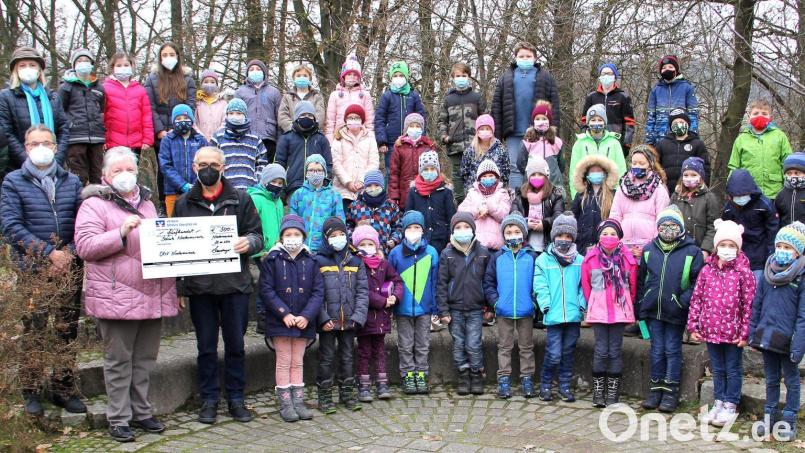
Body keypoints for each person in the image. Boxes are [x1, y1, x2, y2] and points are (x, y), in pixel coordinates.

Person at [74, 147, 178, 442]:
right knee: (118, 361)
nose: (124, 175)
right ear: (105, 175)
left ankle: (142, 411)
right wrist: (119, 231)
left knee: (144, 359)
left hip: (151, 293)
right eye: (117, 170)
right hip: (116, 295)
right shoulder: (94, 205)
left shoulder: (147, 202)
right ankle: (118, 418)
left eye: (129, 170)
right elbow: (85, 246)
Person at [173, 146, 264, 425]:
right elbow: (174, 247)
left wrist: (248, 243)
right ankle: (209, 399)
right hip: (200, 289)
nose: (208, 168)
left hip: (234, 285)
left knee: (236, 345)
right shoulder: (183, 202)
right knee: (206, 347)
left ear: (223, 167)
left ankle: (236, 398)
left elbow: (258, 236)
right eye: (203, 164)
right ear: (194, 167)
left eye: (213, 163)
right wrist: (179, 287)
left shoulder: (241, 199)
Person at [1, 125, 84, 416]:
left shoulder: (72, 181)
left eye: (47, 142)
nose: (41, 147)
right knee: (34, 329)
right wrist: (49, 254)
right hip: (33, 269)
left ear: (55, 146)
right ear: (26, 147)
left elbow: (82, 224)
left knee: (67, 329)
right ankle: (31, 389)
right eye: (35, 143)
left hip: (69, 269)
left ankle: (63, 386)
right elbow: (11, 226)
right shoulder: (13, 182)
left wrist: (68, 254)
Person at [687, 219, 755, 427]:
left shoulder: (744, 273)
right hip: (711, 329)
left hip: (733, 333)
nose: (727, 249)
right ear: (716, 247)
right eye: (723, 245)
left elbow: (748, 305)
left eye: (731, 245)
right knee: (717, 368)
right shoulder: (707, 270)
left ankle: (730, 404)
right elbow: (696, 299)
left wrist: (744, 333)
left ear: (738, 247)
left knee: (732, 368)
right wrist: (693, 326)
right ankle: (718, 401)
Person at [638, 205, 705, 413]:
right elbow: (641, 281)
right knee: (657, 350)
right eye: (664, 225)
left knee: (673, 350)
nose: (668, 229)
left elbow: (697, 283)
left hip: (676, 311)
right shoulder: (649, 250)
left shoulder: (692, 252)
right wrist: (641, 306)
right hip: (653, 311)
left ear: (681, 227)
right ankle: (655, 390)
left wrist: (681, 301)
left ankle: (670, 393)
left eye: (673, 225)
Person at [260, 214, 323, 423]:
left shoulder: (311, 260)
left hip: (304, 321)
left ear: (303, 236)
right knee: (283, 361)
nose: (293, 238)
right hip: (280, 321)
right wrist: (284, 313)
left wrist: (306, 316)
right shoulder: (272, 259)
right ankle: (285, 403)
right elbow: (267, 290)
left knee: (297, 361)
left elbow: (318, 292)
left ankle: (298, 401)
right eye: (288, 234)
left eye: (297, 234)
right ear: (281, 237)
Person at [749, 221, 805, 442]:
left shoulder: (800, 277)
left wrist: (798, 345)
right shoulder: (767, 271)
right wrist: (753, 332)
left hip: (788, 339)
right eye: (780, 246)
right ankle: (770, 417)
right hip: (767, 336)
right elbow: (757, 305)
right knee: (771, 379)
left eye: (788, 248)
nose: (782, 251)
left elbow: (803, 316)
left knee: (791, 381)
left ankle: (789, 420)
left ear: (797, 251)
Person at [315, 217, 369, 414]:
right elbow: (316, 293)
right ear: (325, 238)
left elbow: (363, 291)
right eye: (333, 235)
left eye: (341, 235)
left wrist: (357, 316)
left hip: (349, 320)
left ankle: (347, 392)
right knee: (326, 357)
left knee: (347, 356)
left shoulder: (355, 260)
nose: (338, 238)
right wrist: (322, 318)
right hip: (328, 321)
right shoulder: (319, 260)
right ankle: (325, 395)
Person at [582, 219, 637, 407]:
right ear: (598, 236)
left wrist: (627, 305)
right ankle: (598, 393)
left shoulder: (628, 260)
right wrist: (594, 305)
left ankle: (613, 394)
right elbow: (586, 286)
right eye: (605, 233)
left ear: (619, 237)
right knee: (600, 351)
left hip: (619, 312)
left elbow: (633, 287)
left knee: (614, 351)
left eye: (613, 233)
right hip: (599, 311)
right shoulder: (590, 259)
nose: (609, 237)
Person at [483, 212, 538, 398]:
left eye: (516, 231)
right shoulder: (498, 257)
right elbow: (488, 282)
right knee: (504, 347)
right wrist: (496, 302)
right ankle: (504, 380)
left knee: (526, 347)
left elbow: (538, 282)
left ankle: (527, 378)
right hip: (504, 310)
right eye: (508, 231)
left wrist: (534, 302)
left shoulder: (531, 256)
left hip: (526, 310)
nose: (512, 234)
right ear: (503, 235)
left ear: (523, 233)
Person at [491, 41, 560, 188]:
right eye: (521, 56)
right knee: (515, 167)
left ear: (535, 58)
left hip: (539, 132)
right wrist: (496, 135)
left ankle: (544, 203)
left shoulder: (545, 77)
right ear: (515, 57)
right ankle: (517, 204)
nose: (525, 58)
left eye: (528, 56)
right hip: (513, 132)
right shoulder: (505, 77)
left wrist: (553, 131)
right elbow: (497, 106)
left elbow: (554, 105)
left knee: (540, 168)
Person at [437, 212, 491, 395]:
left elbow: (488, 281)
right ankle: (463, 373)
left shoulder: (482, 253)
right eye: (458, 228)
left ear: (473, 230)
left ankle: (476, 373)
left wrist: (489, 307)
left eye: (466, 227)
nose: (463, 231)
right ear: (452, 231)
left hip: (476, 308)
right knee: (459, 342)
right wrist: (443, 309)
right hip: (455, 308)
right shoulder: (447, 254)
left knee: (474, 343)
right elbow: (442, 284)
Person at [534, 212, 586, 403]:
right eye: (560, 235)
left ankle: (564, 385)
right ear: (553, 236)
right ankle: (545, 384)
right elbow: (540, 285)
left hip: (573, 315)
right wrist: (546, 306)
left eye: (567, 236)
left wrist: (581, 306)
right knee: (553, 353)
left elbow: (584, 286)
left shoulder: (580, 261)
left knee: (568, 352)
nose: (563, 240)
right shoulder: (543, 260)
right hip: (553, 315)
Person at [387, 210, 439, 394]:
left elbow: (435, 282)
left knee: (423, 343)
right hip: (403, 308)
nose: (413, 230)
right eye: (409, 227)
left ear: (423, 230)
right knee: (405, 343)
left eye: (417, 227)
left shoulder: (431, 252)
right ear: (403, 230)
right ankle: (408, 374)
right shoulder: (395, 253)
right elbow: (391, 281)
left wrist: (435, 307)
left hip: (424, 308)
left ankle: (421, 373)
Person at [352, 224, 403, 403]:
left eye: (370, 244)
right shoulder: (357, 265)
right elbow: (362, 290)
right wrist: (382, 301)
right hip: (365, 318)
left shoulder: (384, 264)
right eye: (363, 244)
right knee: (364, 351)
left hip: (382, 318)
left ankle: (382, 383)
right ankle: (363, 383)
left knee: (380, 351)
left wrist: (395, 297)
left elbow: (397, 281)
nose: (367, 248)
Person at [0, 46, 69, 173]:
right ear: (16, 70)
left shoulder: (53, 97)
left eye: (32, 65)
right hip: (19, 168)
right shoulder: (5, 97)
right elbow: (7, 133)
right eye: (22, 65)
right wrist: (27, 161)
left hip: (54, 165)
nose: (28, 69)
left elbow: (63, 129)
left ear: (39, 70)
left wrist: (57, 159)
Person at [102, 52, 156, 193]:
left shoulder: (140, 90)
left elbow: (146, 115)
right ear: (112, 68)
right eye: (119, 65)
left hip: (135, 142)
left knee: (132, 175)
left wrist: (147, 139)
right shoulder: (106, 88)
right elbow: (103, 116)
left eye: (126, 65)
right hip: (113, 142)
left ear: (132, 67)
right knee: (114, 174)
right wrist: (103, 139)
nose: (123, 68)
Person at [610, 145, 670, 258]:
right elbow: (615, 216)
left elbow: (662, 220)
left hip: (650, 247)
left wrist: (654, 246)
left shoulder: (659, 189)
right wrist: (615, 240)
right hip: (623, 245)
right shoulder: (622, 188)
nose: (637, 166)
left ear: (650, 165)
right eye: (634, 163)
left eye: (642, 164)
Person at [437, 62, 486, 199]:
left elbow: (485, 119)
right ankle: (460, 201)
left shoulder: (476, 98)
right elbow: (442, 121)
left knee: (476, 172)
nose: (461, 78)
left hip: (475, 145)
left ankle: (477, 199)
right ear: (453, 77)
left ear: (469, 77)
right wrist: (444, 136)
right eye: (458, 76)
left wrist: (484, 137)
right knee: (457, 175)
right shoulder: (448, 99)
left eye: (464, 75)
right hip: (454, 145)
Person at [247, 164, 286, 335]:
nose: (276, 185)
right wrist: (260, 248)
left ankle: (271, 315)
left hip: (276, 248)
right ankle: (262, 318)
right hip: (262, 250)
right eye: (274, 181)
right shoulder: (256, 198)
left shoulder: (278, 201)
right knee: (266, 284)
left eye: (280, 182)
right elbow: (253, 225)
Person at [728, 98, 793, 199]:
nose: (760, 116)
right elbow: (734, 167)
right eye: (756, 113)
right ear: (749, 117)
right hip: (748, 193)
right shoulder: (741, 139)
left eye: (764, 113)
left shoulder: (780, 136)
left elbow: (788, 164)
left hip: (775, 193)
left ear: (770, 117)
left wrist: (789, 189)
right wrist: (732, 188)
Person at [58, 48, 106, 184]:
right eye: (79, 61)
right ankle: (78, 202)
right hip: (75, 137)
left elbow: (102, 109)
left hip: (96, 136)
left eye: (86, 61)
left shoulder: (99, 87)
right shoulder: (65, 87)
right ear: (73, 65)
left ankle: (98, 203)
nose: (83, 63)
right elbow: (60, 110)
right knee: (78, 175)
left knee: (97, 174)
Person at [722, 169, 778, 279]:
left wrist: (771, 253)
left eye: (743, 194)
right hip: (736, 256)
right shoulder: (729, 207)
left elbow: (772, 230)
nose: (740, 198)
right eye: (736, 195)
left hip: (759, 257)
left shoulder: (764, 204)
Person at [375, 61, 427, 173]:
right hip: (391, 143)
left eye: (401, 75)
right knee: (392, 172)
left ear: (406, 77)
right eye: (395, 76)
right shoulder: (386, 96)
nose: (398, 78)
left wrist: (422, 137)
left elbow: (422, 118)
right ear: (391, 78)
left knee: (411, 171)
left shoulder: (413, 96)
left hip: (411, 141)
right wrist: (382, 141)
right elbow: (380, 119)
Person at [158, 104, 208, 216]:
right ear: (173, 121)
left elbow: (205, 164)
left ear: (191, 119)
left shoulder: (200, 140)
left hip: (198, 191)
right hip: (173, 191)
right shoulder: (167, 140)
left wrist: (196, 185)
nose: (182, 121)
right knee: (175, 226)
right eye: (178, 119)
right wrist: (182, 185)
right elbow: (165, 166)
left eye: (186, 118)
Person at [288, 154, 344, 253]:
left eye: (319, 170)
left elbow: (339, 221)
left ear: (325, 173)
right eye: (311, 170)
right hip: (301, 248)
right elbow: (293, 221)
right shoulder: (298, 194)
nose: (315, 173)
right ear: (306, 173)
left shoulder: (334, 195)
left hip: (325, 248)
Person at [143, 42, 196, 147]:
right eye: (165, 55)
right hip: (160, 136)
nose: (168, 57)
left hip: (182, 132)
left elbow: (190, 106)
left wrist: (177, 128)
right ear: (160, 58)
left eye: (172, 55)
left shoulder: (188, 80)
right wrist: (159, 130)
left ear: (177, 56)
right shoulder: (151, 80)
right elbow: (150, 107)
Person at [568, 104, 626, 199]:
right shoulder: (580, 143)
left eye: (600, 120)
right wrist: (576, 197)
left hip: (610, 194)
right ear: (588, 122)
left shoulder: (614, 143)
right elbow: (574, 173)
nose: (596, 123)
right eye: (593, 120)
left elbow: (621, 170)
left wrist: (618, 196)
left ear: (605, 122)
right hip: (585, 195)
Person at [275, 100, 332, 196]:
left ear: (314, 118)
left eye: (310, 115)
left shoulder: (321, 139)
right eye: (303, 115)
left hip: (317, 188)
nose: (307, 118)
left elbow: (329, 164)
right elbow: (279, 164)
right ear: (297, 117)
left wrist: (325, 183)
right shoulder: (286, 138)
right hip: (293, 187)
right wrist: (282, 188)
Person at [210, 98, 268, 191]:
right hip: (225, 190)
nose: (235, 116)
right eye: (231, 113)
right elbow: (211, 162)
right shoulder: (218, 137)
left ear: (245, 115)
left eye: (238, 113)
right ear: (227, 115)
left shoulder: (255, 138)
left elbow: (262, 163)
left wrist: (256, 181)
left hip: (249, 190)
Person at [405, 151, 456, 254]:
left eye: (432, 169)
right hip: (418, 240)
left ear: (437, 170)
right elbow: (408, 216)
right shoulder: (413, 191)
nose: (429, 172)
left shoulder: (446, 191)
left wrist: (450, 239)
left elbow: (451, 217)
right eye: (426, 169)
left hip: (441, 240)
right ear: (421, 171)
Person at [511, 156, 565, 253]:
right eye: (533, 174)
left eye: (540, 174)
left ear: (546, 176)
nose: (536, 177)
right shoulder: (520, 196)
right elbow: (513, 216)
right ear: (528, 177)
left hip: (548, 247)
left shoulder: (555, 195)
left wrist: (545, 224)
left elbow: (558, 216)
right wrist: (524, 223)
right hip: (524, 248)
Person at [331, 104, 379, 209]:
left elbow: (373, 162)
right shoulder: (338, 138)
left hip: (364, 190)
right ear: (345, 120)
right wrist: (347, 182)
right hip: (342, 191)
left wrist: (362, 181)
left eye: (357, 117)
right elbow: (336, 163)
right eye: (350, 118)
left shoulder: (370, 137)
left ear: (362, 120)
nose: (353, 120)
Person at [645, 55, 699, 146]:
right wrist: (649, 140)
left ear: (676, 70)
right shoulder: (655, 90)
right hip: (660, 139)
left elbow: (693, 115)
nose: (667, 70)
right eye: (664, 68)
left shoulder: (687, 87)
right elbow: (651, 117)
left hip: (681, 138)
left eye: (671, 67)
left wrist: (692, 136)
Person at [670, 157, 720, 256]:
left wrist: (705, 249)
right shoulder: (676, 196)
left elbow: (712, 227)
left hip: (699, 249)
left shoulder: (709, 198)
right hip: (677, 249)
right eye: (686, 175)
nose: (689, 178)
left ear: (701, 176)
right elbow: (669, 220)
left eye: (693, 175)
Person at [458, 160, 512, 250]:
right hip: (475, 243)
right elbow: (461, 211)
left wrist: (489, 207)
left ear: (496, 177)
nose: (488, 178)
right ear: (479, 178)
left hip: (495, 244)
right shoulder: (472, 193)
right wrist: (478, 210)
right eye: (484, 176)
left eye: (491, 175)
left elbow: (504, 214)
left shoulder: (503, 193)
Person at [580, 63, 635, 152]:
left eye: (609, 74)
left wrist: (626, 144)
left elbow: (630, 123)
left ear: (614, 77)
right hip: (594, 141)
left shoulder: (623, 97)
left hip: (616, 142)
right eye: (603, 74)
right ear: (600, 76)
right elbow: (584, 120)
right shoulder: (591, 97)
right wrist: (584, 138)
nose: (606, 76)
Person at [235, 59, 282, 162]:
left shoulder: (274, 92)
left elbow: (280, 118)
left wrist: (280, 141)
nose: (255, 71)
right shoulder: (240, 92)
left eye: (258, 69)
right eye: (251, 69)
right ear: (247, 73)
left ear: (264, 72)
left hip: (268, 138)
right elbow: (235, 114)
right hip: (247, 137)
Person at [346, 170, 403, 255]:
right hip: (360, 253)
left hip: (384, 253)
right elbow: (348, 226)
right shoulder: (355, 206)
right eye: (369, 185)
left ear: (382, 186)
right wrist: (353, 238)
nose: (373, 188)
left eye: (376, 185)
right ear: (365, 187)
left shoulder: (391, 206)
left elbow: (399, 226)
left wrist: (394, 239)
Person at [572, 155, 618, 254]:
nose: (596, 173)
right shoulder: (580, 195)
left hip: (605, 244)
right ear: (587, 174)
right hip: (582, 244)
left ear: (605, 173)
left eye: (599, 171)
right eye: (592, 171)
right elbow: (573, 217)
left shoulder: (613, 194)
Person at [388, 113, 435, 209]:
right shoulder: (399, 147)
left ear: (422, 129)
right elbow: (394, 174)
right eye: (412, 126)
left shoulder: (428, 146)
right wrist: (394, 196)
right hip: (404, 193)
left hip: (424, 193)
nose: (415, 128)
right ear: (406, 128)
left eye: (418, 126)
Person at [656, 108, 710, 190]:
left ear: (687, 124)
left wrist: (702, 188)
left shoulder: (697, 144)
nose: (679, 125)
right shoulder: (662, 144)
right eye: (675, 123)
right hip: (665, 190)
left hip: (690, 190)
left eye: (681, 122)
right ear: (671, 126)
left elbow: (705, 168)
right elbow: (655, 166)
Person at [325, 56, 375, 141]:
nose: (352, 77)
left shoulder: (365, 95)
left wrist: (370, 138)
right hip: (339, 136)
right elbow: (330, 121)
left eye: (355, 75)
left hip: (360, 137)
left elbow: (370, 120)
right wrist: (330, 140)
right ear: (343, 76)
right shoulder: (334, 95)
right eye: (349, 74)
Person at [517, 103, 564, 189]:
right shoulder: (527, 142)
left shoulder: (557, 142)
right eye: (537, 119)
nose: (541, 121)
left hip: (554, 185)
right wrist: (532, 173)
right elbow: (520, 163)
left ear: (549, 121)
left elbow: (561, 165)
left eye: (544, 118)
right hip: (532, 186)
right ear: (533, 121)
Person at [460, 114, 509, 191]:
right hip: (475, 193)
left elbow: (506, 172)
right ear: (477, 131)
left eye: (487, 128)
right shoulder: (470, 151)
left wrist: (502, 189)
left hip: (497, 193)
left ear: (492, 130)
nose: (485, 131)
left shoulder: (501, 150)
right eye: (482, 129)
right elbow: (464, 173)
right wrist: (469, 189)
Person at [278, 63, 326, 133]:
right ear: (294, 78)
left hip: (312, 134)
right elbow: (282, 115)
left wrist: (311, 128)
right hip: (292, 135)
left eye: (305, 75)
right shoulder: (287, 97)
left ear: (310, 78)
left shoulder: (317, 96)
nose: (302, 78)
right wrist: (293, 128)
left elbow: (320, 115)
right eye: (298, 76)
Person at [195, 69, 228, 141]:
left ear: (216, 85)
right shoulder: (197, 102)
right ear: (201, 84)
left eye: (212, 82)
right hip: (200, 140)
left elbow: (225, 122)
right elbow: (194, 122)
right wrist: (200, 136)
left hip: (218, 140)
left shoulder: (223, 103)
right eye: (206, 82)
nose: (209, 84)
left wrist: (216, 136)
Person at [775, 153, 805, 229]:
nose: (792, 176)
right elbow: (777, 218)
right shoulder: (781, 194)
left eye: (797, 173)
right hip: (786, 237)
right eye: (789, 173)